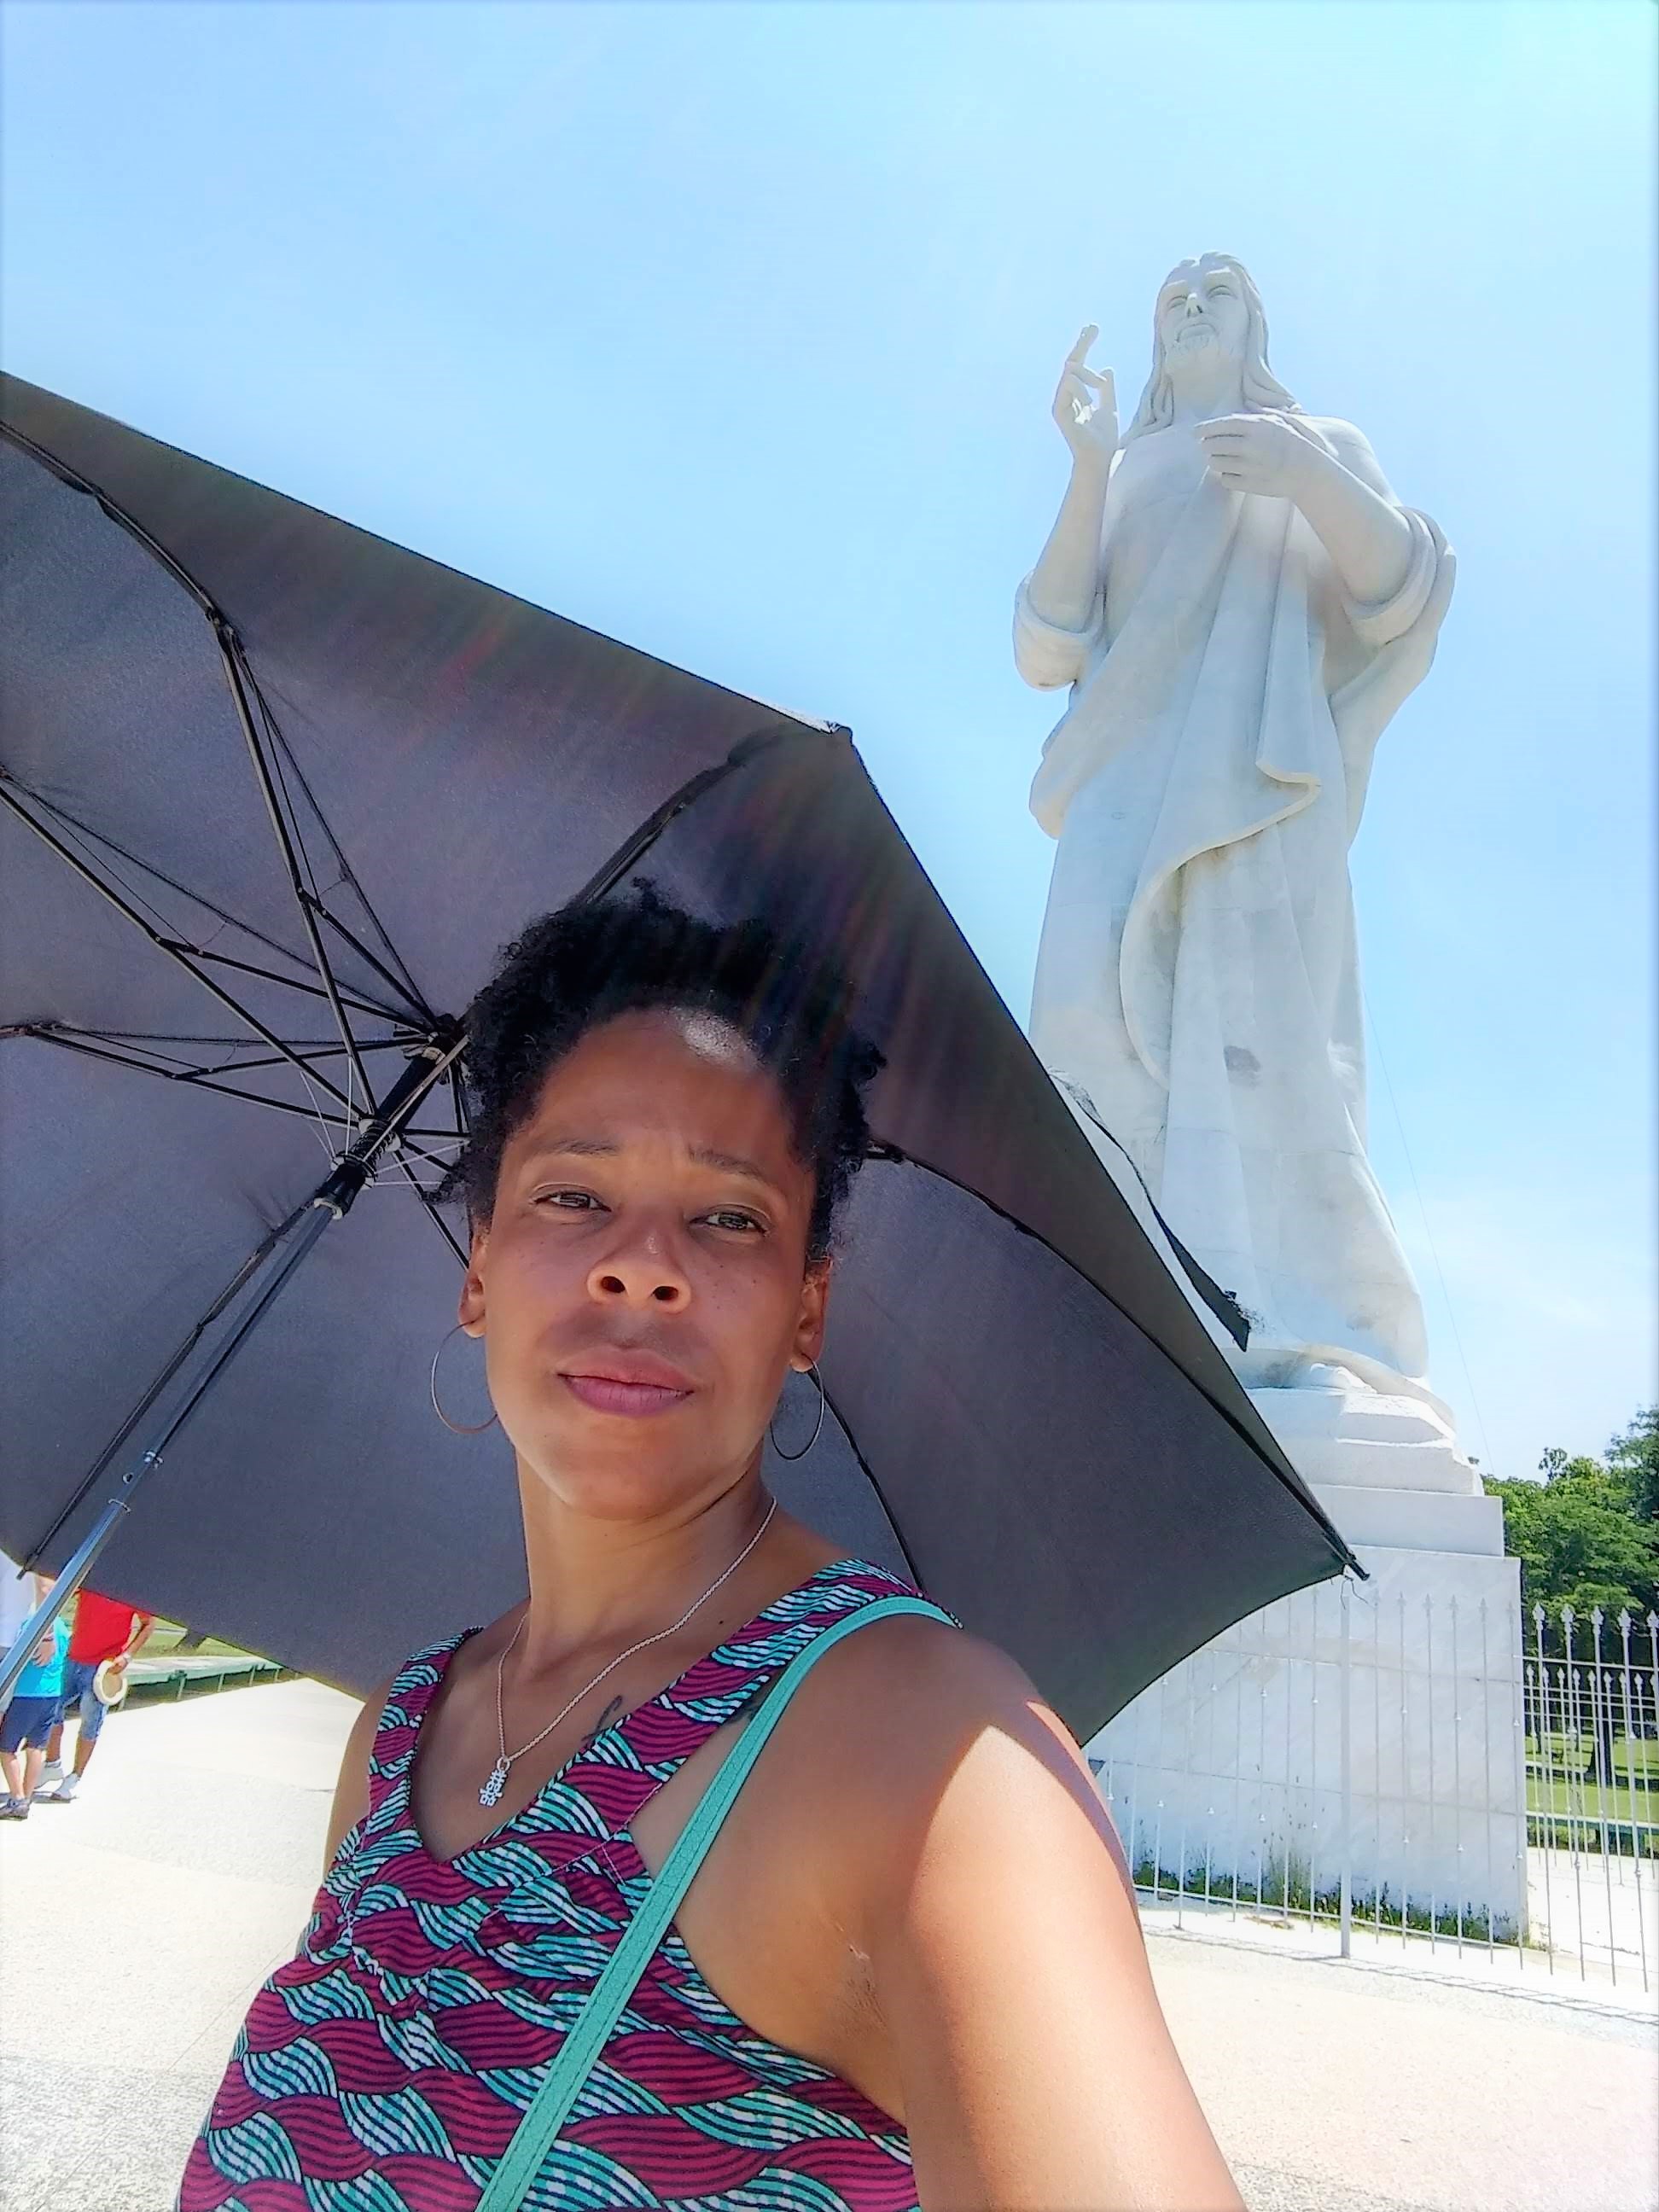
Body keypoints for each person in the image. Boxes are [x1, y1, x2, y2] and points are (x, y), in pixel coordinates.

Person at [179, 888, 1242, 2211]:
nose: (642, 1268)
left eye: (729, 1218)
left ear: (808, 1309)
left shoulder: (927, 1750)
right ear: (478, 1270)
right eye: (574, 1194)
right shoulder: (403, 1729)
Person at [38, 1586, 154, 1802]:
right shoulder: (92, 1579)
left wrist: (127, 1655)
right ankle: (52, 1763)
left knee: (90, 1722)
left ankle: (75, 1777)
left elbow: (149, 1624)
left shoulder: (135, 1588)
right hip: (73, 1658)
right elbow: (59, 1591)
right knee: (51, 1709)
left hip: (103, 1667)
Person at [1, 1606, 70, 1819]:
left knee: (6, 1749)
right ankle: (27, 1797)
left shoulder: (27, 1624)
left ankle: (17, 1798)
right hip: (51, 1694)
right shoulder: (62, 1627)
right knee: (36, 1748)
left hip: (25, 1694)